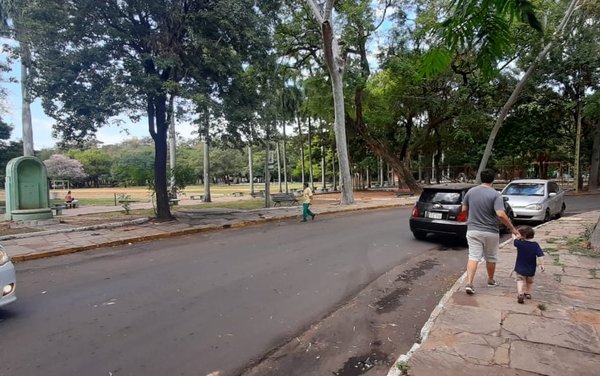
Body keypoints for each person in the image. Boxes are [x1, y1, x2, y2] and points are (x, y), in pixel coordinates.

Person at [461, 168, 520, 295]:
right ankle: (491, 280)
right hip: (491, 231)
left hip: (473, 230)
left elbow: (464, 209)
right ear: (493, 179)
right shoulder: (496, 194)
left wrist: (469, 219)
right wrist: (512, 228)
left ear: (481, 178)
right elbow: (501, 214)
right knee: (491, 257)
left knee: (473, 256)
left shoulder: (470, 192)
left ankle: (469, 283)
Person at [513, 225, 545, 304]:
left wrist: (514, 232)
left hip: (520, 267)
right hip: (531, 268)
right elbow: (540, 255)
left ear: (523, 236)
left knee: (520, 280)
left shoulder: (519, 243)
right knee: (529, 281)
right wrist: (542, 264)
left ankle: (520, 293)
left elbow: (513, 237)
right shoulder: (535, 245)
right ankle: (528, 293)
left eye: (519, 234)